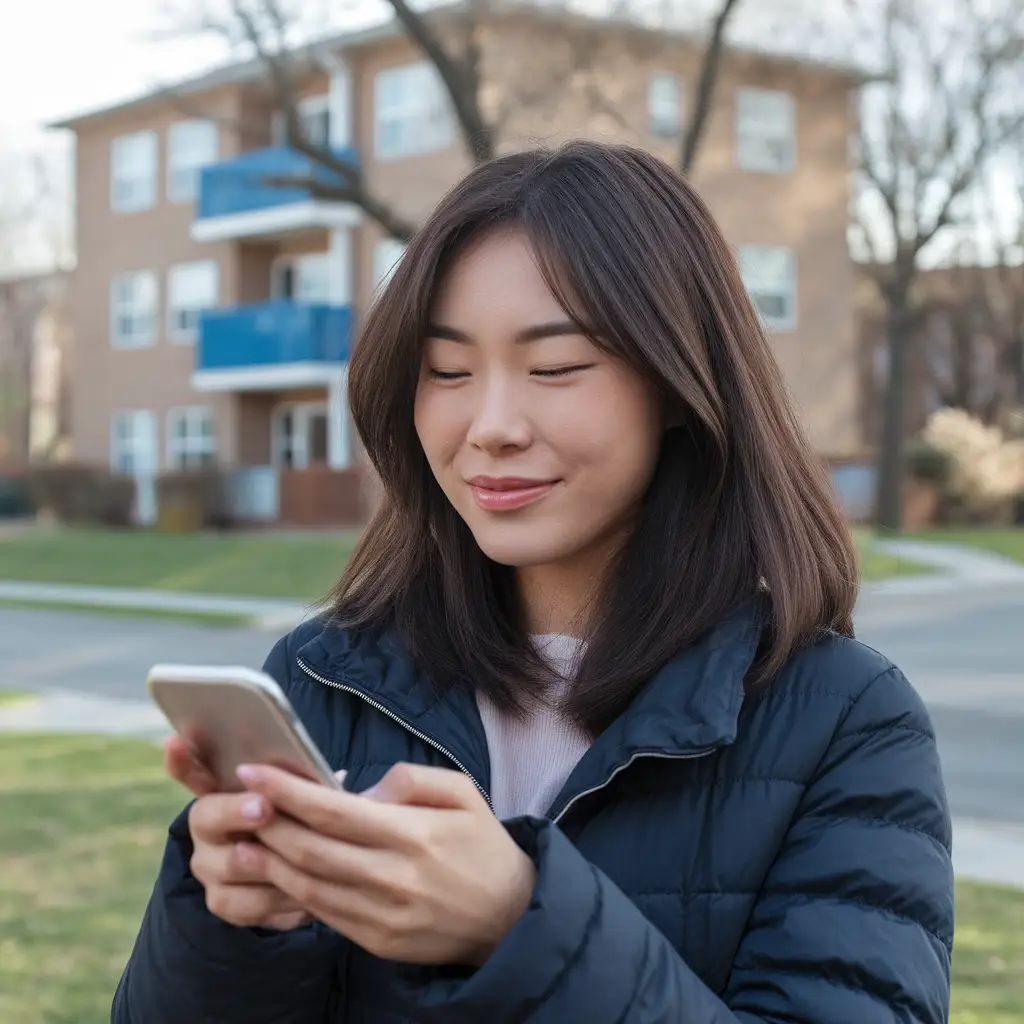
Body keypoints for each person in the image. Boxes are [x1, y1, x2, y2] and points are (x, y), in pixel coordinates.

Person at [112, 141, 953, 1024]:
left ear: (675, 384)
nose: (491, 425)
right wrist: (236, 929)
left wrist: (520, 922)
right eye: (447, 371)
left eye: (554, 368)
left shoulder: (849, 722)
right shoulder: (324, 680)